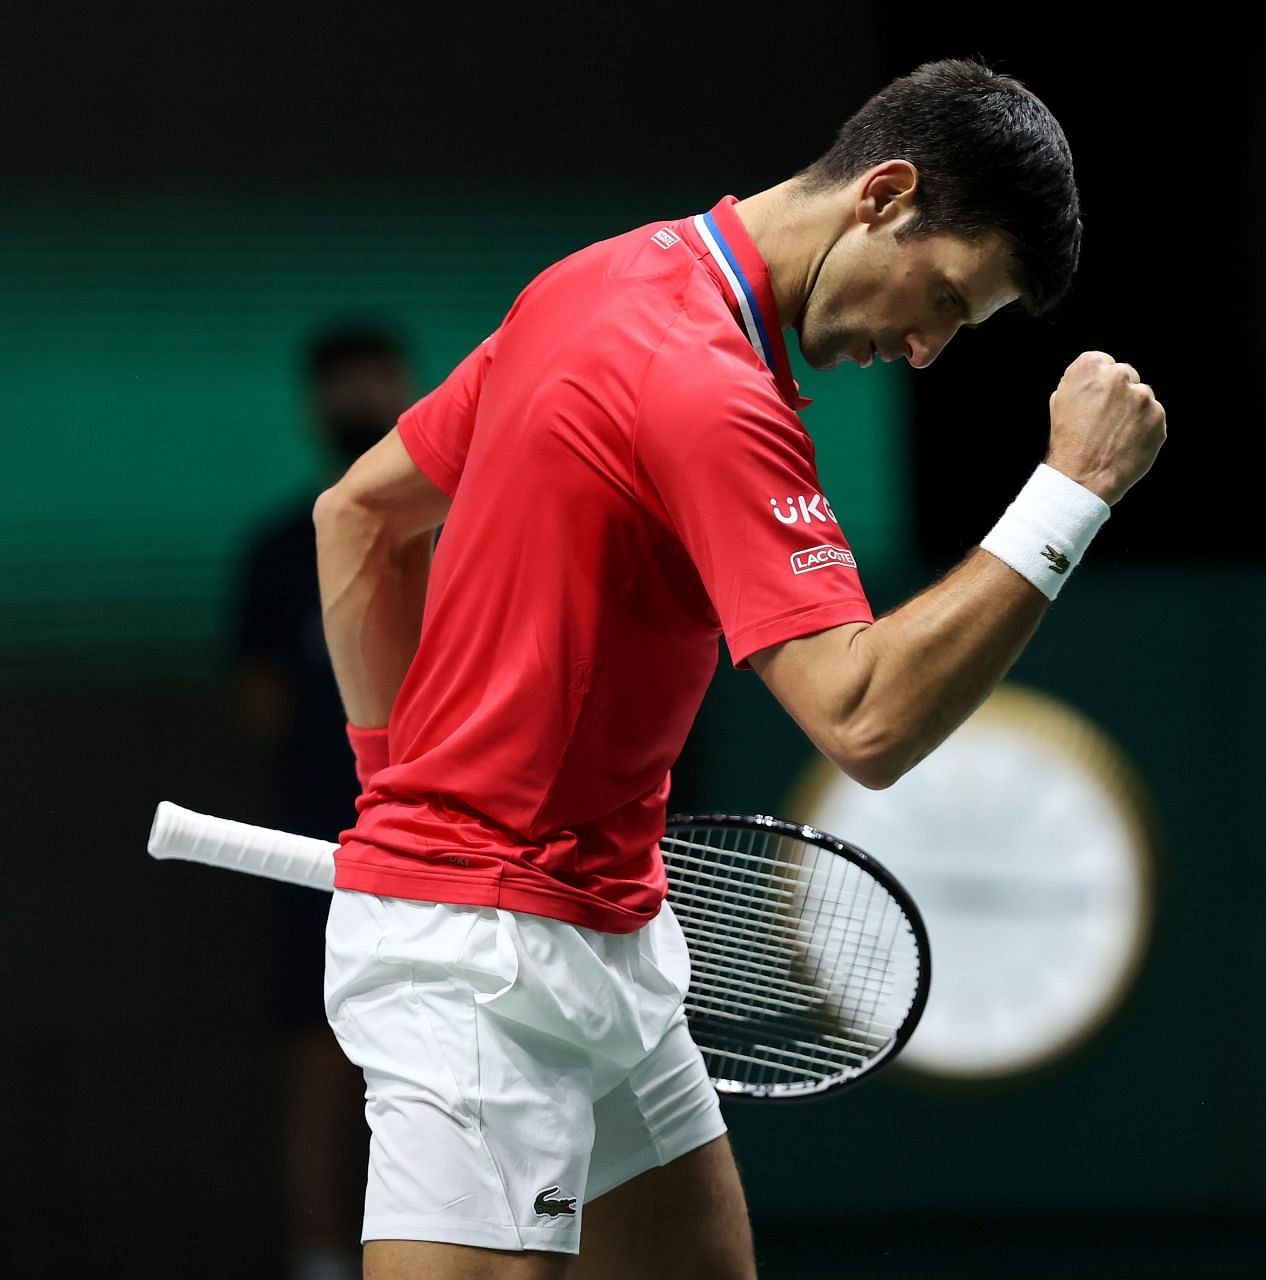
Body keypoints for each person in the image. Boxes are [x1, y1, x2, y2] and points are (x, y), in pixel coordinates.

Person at [313, 58, 1166, 1279]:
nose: (924, 348)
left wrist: (392, 783)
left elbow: (356, 519)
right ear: (884, 193)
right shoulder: (705, 384)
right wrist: (1070, 495)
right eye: (943, 298)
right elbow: (864, 719)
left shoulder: (597, 278)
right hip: (484, 968)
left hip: (601, 919)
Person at [231, 328, 415, 1280]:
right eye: (339, 381)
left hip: (452, 850)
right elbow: (263, 705)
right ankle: (318, 1262)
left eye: (374, 374)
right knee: (321, 1056)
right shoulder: (273, 553)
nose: (358, 393)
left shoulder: (452, 536)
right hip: (322, 847)